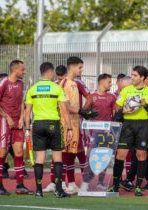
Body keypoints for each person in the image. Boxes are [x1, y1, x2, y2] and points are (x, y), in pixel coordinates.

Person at [25, 62, 72, 198]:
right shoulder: (56, 88)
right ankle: (58, 190)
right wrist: (69, 128)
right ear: (51, 72)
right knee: (57, 158)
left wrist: (27, 128)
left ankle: (38, 191)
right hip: (53, 124)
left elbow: (27, 113)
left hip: (38, 124)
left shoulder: (32, 89)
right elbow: (64, 111)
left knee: (40, 158)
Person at [109, 66, 148, 196]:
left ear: (142, 77)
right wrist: (125, 108)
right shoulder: (126, 90)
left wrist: (145, 105)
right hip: (127, 125)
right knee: (120, 155)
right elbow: (117, 107)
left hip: (142, 125)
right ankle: (115, 187)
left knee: (141, 156)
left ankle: (137, 187)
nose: (133, 78)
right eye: (132, 75)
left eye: (135, 75)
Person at [0, 60, 32, 195]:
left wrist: (21, 118)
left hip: (17, 122)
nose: (24, 72)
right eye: (23, 70)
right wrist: (7, 117)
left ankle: (20, 185)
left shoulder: (20, 84)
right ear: (15, 70)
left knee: (19, 151)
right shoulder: (3, 82)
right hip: (4, 121)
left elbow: (21, 102)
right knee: (1, 153)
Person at [58, 57, 97, 194]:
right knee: (68, 154)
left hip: (76, 123)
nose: (81, 70)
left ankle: (75, 184)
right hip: (66, 124)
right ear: (72, 67)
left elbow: (86, 99)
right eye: (80, 67)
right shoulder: (63, 83)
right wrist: (82, 111)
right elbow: (64, 106)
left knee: (75, 153)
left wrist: (84, 113)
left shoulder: (76, 83)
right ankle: (71, 183)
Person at [79, 73, 116, 191]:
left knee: (105, 156)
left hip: (107, 132)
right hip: (93, 133)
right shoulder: (92, 97)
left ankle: (101, 182)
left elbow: (115, 115)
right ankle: (86, 182)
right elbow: (84, 112)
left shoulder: (111, 97)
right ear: (102, 82)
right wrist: (87, 114)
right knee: (91, 157)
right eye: (109, 82)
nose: (111, 84)